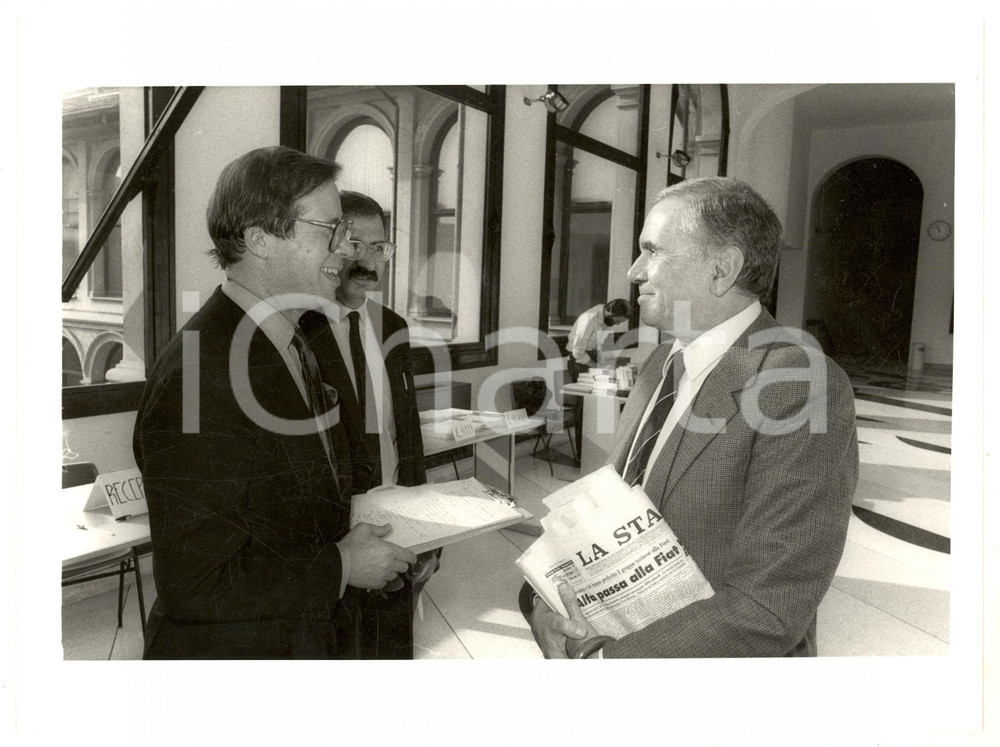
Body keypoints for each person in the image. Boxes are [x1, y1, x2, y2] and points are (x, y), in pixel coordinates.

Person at [526, 177, 859, 658]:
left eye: (652, 251)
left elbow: (769, 605)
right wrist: (547, 604)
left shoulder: (798, 384)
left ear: (721, 270)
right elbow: (608, 516)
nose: (633, 270)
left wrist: (608, 663)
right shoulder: (659, 365)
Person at [132, 146, 417, 659]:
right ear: (259, 239)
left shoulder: (288, 341)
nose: (347, 250)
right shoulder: (199, 374)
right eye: (330, 231)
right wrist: (344, 567)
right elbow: (195, 582)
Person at [299, 190, 436, 659]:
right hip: (335, 538)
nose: (370, 261)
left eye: (380, 248)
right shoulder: (298, 330)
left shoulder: (393, 324)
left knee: (393, 650)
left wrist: (429, 531)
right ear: (332, 247)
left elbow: (408, 428)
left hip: (398, 517)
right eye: (356, 245)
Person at [565, 298, 631, 383]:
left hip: (591, 356)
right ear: (610, 312)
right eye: (617, 321)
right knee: (585, 393)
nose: (617, 324)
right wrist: (598, 367)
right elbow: (577, 352)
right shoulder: (588, 319)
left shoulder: (607, 318)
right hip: (578, 361)